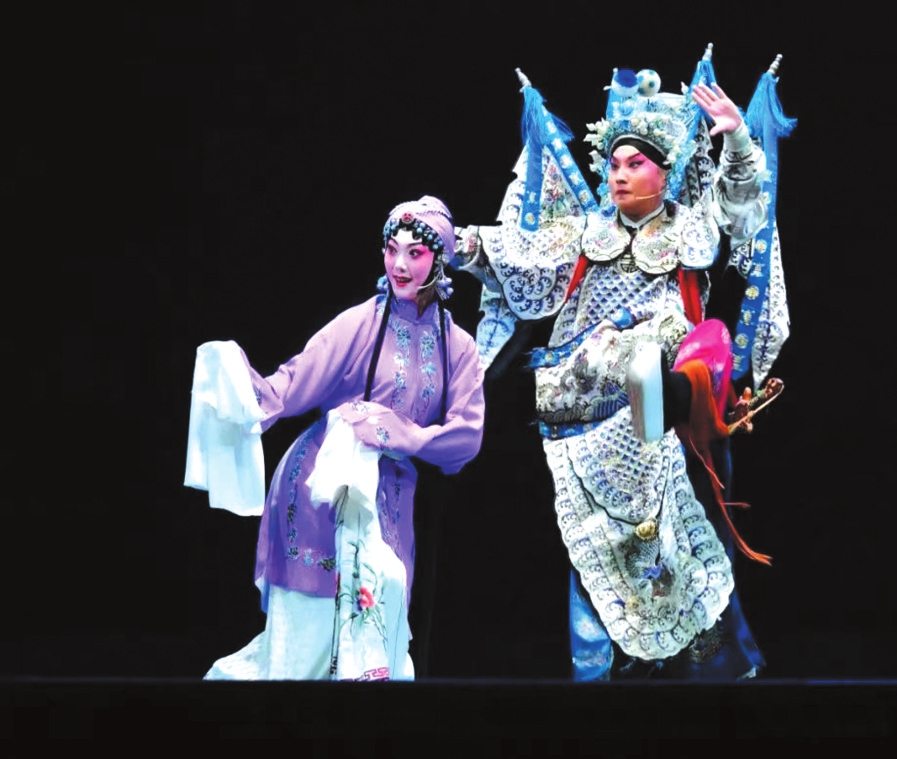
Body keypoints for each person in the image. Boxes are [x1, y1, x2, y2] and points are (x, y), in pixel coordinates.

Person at [451, 55, 791, 680]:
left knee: (675, 532)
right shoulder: (585, 230)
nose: (619, 175)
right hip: (587, 405)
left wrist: (739, 138)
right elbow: (519, 255)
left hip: (664, 405)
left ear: (665, 171)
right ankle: (598, 671)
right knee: (595, 539)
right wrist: (462, 242)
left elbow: (745, 211)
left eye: (635, 164)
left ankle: (695, 665)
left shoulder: (692, 226)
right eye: (613, 164)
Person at [184, 196, 485, 681]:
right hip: (320, 486)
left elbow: (465, 438)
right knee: (304, 649)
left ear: (440, 259)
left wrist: (401, 433)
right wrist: (244, 392)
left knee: (383, 614)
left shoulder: (458, 347)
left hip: (389, 497)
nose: (399, 265)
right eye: (391, 250)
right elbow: (295, 381)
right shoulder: (360, 323)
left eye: (414, 253)